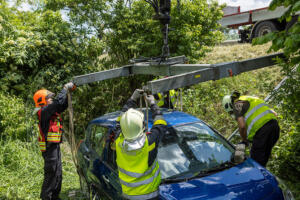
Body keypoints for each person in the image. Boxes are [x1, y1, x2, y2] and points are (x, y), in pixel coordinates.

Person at [115, 89, 167, 200]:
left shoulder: (118, 141)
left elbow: (120, 121)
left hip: (128, 196)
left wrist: (132, 99)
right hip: (150, 197)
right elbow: (161, 124)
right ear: (142, 125)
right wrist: (153, 104)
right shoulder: (148, 143)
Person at [33, 82, 75, 200]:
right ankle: (46, 197)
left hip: (54, 147)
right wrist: (65, 88)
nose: (51, 100)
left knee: (58, 173)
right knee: (51, 173)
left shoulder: (49, 111)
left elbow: (61, 105)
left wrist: (68, 93)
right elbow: (57, 103)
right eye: (49, 98)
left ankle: (55, 197)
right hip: (49, 148)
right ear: (42, 101)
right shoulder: (43, 111)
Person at [222, 91, 280, 167]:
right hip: (275, 128)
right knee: (262, 161)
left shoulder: (236, 105)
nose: (232, 113)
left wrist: (244, 140)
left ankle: (254, 177)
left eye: (231, 112)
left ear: (229, 105)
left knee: (256, 162)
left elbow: (242, 126)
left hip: (262, 132)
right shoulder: (251, 99)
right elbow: (274, 114)